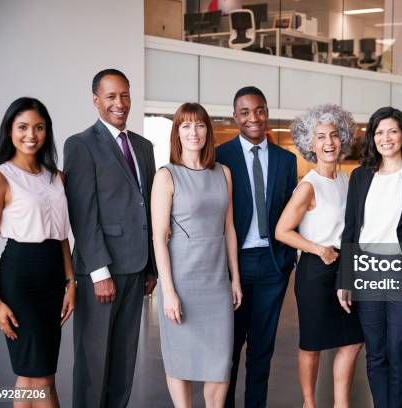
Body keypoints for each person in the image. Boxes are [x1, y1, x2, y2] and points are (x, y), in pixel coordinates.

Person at [63, 69, 157, 408]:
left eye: (125, 95)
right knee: (94, 361)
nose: (120, 103)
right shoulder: (80, 145)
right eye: (111, 96)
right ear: (96, 101)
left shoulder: (143, 147)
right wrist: (99, 271)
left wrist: (152, 268)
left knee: (124, 358)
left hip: (137, 268)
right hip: (101, 271)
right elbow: (82, 214)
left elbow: (148, 210)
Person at [336, 106, 402, 408]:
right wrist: (345, 278)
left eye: (392, 131)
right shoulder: (360, 177)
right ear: (372, 138)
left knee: (398, 349)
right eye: (379, 132)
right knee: (376, 352)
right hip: (367, 270)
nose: (385, 138)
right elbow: (351, 230)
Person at [0, 97, 75, 407]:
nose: (31, 135)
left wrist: (70, 281)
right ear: (9, 131)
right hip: (19, 278)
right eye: (22, 127)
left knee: (41, 374)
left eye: (39, 127)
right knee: (37, 374)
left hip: (52, 280)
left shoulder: (56, 177)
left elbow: (62, 235)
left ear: (47, 131)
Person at [151, 102, 243, 408]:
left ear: (208, 131)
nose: (194, 132)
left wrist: (235, 279)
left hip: (216, 282)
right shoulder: (166, 175)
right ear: (177, 132)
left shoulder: (224, 173)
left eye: (200, 125)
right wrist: (168, 292)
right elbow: (159, 238)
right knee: (180, 361)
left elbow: (229, 228)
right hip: (182, 283)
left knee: (220, 368)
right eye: (186, 126)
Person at [275, 104, 364, 408]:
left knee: (352, 340)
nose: (329, 142)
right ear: (310, 145)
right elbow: (282, 231)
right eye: (321, 137)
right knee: (312, 344)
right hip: (315, 270)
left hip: (343, 268)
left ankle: (341, 404)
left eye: (334, 135)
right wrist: (318, 249)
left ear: (343, 140)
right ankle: (309, 404)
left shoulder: (346, 180)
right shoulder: (308, 186)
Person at [216, 86, 297, 408]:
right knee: (230, 347)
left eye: (259, 110)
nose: (254, 118)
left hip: (273, 265)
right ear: (236, 116)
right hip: (233, 264)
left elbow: (293, 212)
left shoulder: (286, 160)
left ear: (267, 113)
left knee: (263, 348)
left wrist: (287, 259)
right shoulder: (220, 156)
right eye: (246, 112)